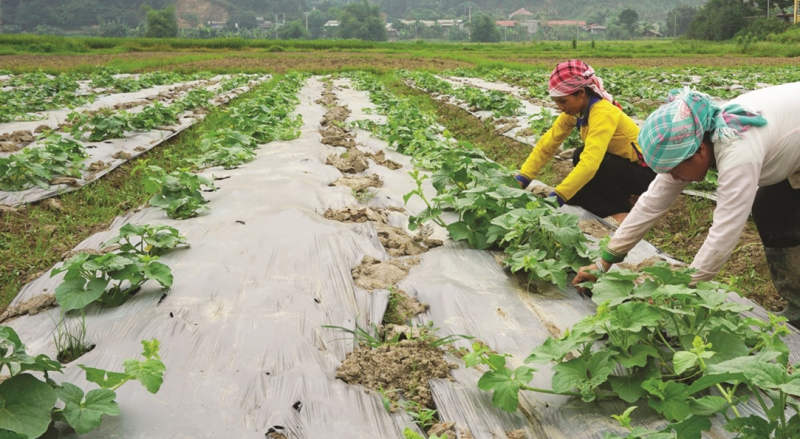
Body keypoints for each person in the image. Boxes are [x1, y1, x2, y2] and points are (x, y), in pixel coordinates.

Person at [573, 83, 800, 325]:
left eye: (676, 171)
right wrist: (606, 259)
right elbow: (651, 203)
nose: (675, 178)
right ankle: (797, 306)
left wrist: (681, 289)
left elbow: (726, 230)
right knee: (772, 210)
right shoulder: (695, 140)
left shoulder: (738, 150)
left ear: (700, 150)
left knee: (771, 206)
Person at [515, 60, 655, 223]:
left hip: (648, 175)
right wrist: (522, 179)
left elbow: (590, 162)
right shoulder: (575, 113)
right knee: (577, 190)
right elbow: (546, 146)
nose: (560, 107)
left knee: (585, 158)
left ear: (581, 93)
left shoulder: (603, 112)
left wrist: (556, 199)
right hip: (623, 170)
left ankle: (621, 212)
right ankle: (627, 199)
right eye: (556, 101)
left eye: (563, 101)